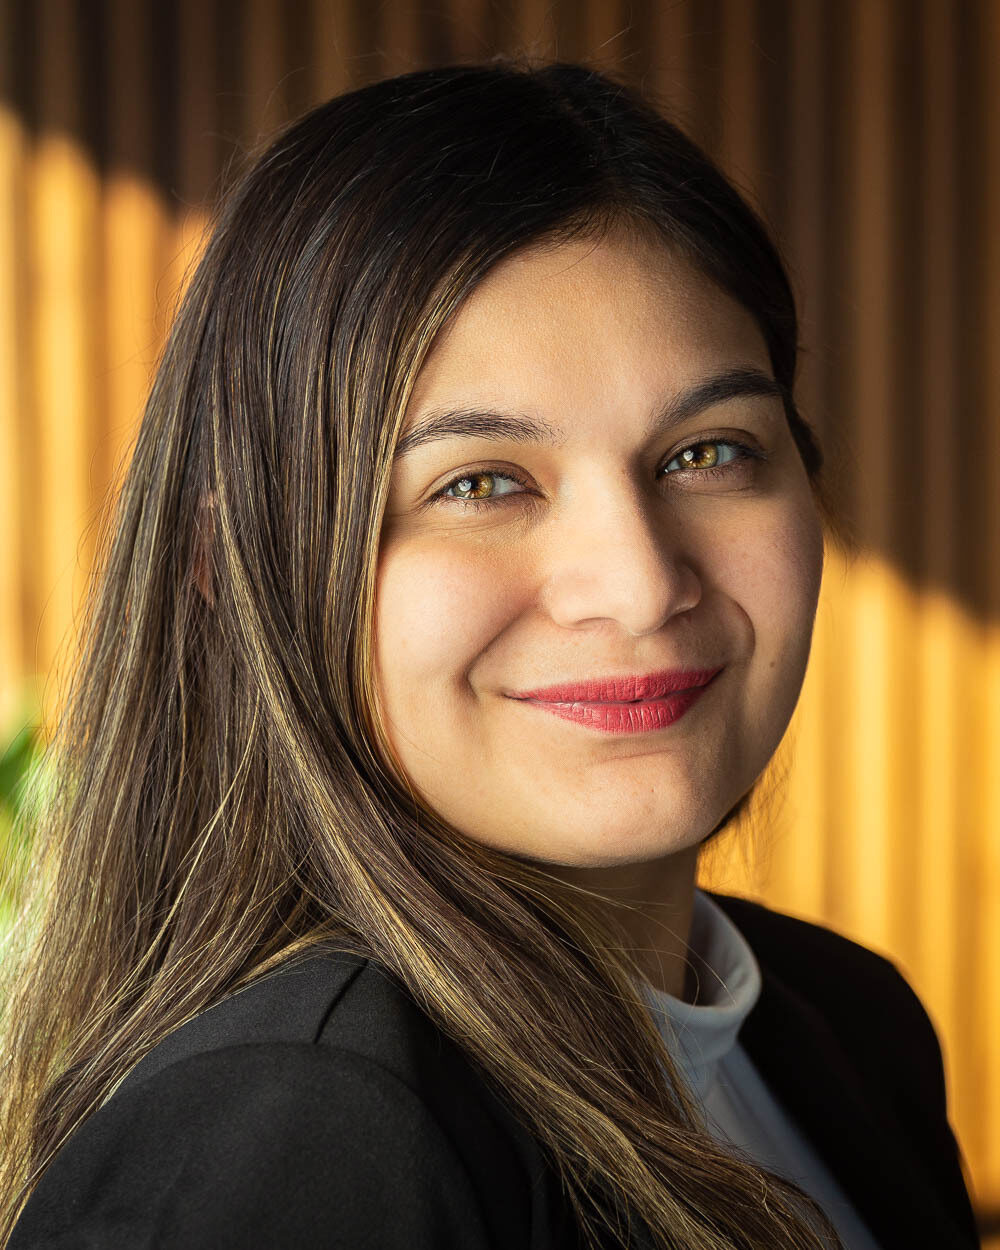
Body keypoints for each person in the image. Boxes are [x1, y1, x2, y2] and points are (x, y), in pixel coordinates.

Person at [0, 57, 980, 1250]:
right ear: (231, 562)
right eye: (479, 483)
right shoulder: (300, 1136)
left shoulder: (850, 1025)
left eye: (708, 452)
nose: (638, 582)